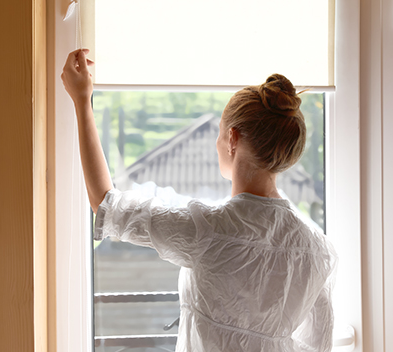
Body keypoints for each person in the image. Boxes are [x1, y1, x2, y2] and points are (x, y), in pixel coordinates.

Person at [61, 49, 337, 352]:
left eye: (219, 134)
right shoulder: (316, 249)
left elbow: (105, 205)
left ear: (232, 139)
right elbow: (318, 343)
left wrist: (81, 100)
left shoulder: (210, 230)